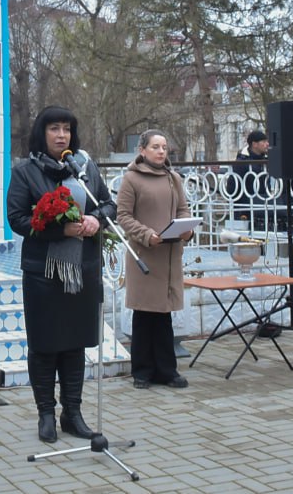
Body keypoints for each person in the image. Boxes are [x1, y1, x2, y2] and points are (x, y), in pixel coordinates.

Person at [6, 105, 116, 445]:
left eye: (66, 129)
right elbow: (17, 218)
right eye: (54, 128)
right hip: (43, 273)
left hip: (83, 269)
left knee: (74, 343)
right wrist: (59, 230)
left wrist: (97, 219)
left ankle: (73, 412)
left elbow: (108, 204)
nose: (61, 135)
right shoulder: (26, 171)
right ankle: (45, 414)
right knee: (45, 344)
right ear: (42, 133)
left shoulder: (84, 168)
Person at [114, 130, 192, 390]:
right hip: (144, 255)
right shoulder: (131, 179)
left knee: (164, 315)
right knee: (144, 314)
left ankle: (167, 370)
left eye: (164, 147)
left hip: (169, 254)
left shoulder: (173, 178)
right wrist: (147, 235)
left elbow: (183, 208)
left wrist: (187, 228)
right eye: (156, 147)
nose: (161, 152)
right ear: (142, 150)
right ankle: (142, 371)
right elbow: (123, 216)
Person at [232, 129, 272, 230]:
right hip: (246, 208)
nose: (267, 144)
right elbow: (234, 187)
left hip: (264, 206)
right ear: (254, 144)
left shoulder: (266, 160)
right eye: (263, 142)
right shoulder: (241, 163)